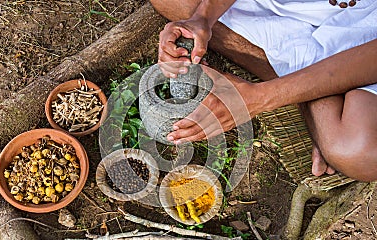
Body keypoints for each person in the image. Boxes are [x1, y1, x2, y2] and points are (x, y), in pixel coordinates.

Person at [149, 0, 377, 182]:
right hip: (284, 14)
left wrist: (260, 98)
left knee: (358, 152)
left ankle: (306, 89)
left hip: (366, 24)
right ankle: (309, 89)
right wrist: (203, 17)